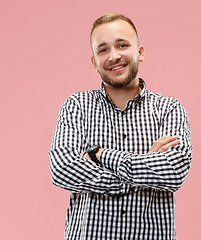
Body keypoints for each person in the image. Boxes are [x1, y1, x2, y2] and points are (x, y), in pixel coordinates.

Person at [49, 13, 193, 240]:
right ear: (94, 62)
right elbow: (62, 169)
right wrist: (146, 164)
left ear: (140, 52)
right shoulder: (76, 106)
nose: (114, 56)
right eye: (103, 50)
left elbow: (173, 172)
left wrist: (99, 154)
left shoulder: (170, 109)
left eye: (122, 45)